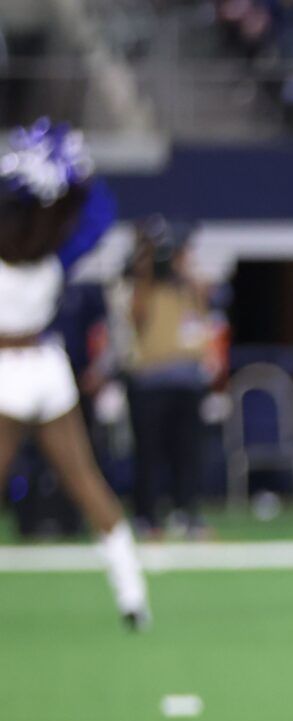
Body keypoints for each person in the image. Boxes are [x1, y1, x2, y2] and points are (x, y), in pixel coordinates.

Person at [0, 122, 150, 628]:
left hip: (8, 372)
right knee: (86, 481)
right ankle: (133, 596)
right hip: (47, 367)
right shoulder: (57, 253)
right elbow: (99, 211)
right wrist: (72, 174)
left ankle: (133, 594)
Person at [120, 218, 222, 538]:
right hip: (150, 381)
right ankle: (146, 517)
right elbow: (134, 316)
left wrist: (184, 272)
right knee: (149, 454)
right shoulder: (141, 284)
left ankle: (187, 515)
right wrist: (149, 264)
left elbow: (205, 314)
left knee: (188, 453)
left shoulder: (189, 286)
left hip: (188, 380)